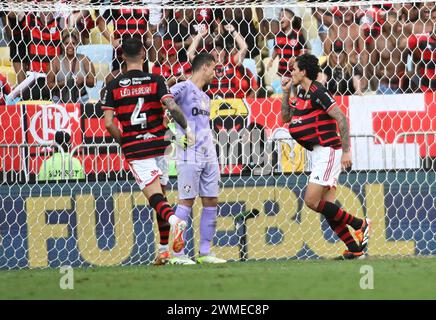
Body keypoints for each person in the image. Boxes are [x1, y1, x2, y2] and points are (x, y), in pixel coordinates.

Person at [100, 37, 194, 257]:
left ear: (122, 56)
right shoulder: (156, 79)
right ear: (144, 54)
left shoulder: (113, 85)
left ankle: (176, 221)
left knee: (154, 198)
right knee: (162, 195)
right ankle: (163, 250)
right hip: (159, 144)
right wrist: (187, 129)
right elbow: (171, 105)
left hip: (137, 148)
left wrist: (123, 142)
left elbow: (108, 123)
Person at [280, 53, 371, 260]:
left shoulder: (317, 91)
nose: (290, 72)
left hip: (329, 150)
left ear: (303, 72)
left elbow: (341, 117)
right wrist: (286, 92)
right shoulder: (301, 93)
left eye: (293, 69)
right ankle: (354, 249)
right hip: (319, 152)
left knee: (311, 201)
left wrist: (346, 151)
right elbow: (286, 117)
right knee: (328, 209)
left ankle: (360, 224)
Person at [168, 53, 226, 265]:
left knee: (211, 199)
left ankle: (205, 252)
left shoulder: (206, 97)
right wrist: (173, 134)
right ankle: (177, 254)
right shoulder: (183, 88)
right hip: (188, 153)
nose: (215, 74)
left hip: (208, 152)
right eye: (214, 69)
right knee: (187, 201)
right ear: (205, 67)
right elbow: (164, 101)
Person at [46, 30, 96, 104]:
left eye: (73, 43)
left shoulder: (84, 59)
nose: (70, 46)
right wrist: (64, 83)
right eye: (66, 43)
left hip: (81, 99)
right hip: (59, 100)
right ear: (62, 45)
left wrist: (83, 80)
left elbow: (93, 82)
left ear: (77, 45)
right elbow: (48, 85)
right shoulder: (55, 61)